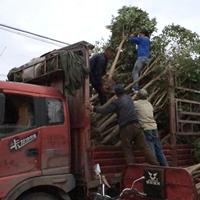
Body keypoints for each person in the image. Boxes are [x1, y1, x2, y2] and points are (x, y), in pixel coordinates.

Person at [91, 84, 158, 165]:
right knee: (144, 147)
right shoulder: (129, 98)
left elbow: (105, 110)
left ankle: (131, 166)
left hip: (126, 127)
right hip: (136, 125)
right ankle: (155, 164)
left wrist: (93, 108)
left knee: (127, 147)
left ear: (116, 93)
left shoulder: (117, 102)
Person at [134, 89, 168, 166]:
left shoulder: (136, 104)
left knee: (150, 149)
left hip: (146, 128)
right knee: (158, 149)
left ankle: (154, 167)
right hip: (154, 128)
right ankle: (165, 166)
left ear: (138, 96)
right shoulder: (149, 104)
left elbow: (131, 105)